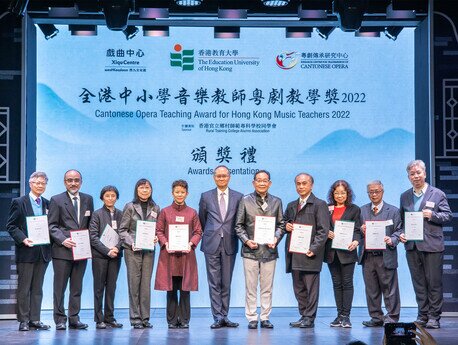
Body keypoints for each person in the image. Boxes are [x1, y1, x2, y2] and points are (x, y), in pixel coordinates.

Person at [399, 160, 452, 329]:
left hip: (432, 246)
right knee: (419, 283)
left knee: (433, 282)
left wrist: (433, 215)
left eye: (418, 173)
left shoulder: (437, 194)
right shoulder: (405, 196)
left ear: (425, 173)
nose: (416, 176)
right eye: (412, 174)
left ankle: (434, 317)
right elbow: (402, 220)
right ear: (408, 177)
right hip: (412, 246)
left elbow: (448, 216)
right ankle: (422, 314)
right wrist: (402, 233)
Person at [235, 170, 283, 329]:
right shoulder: (245, 200)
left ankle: (265, 316)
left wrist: (276, 237)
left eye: (265, 181)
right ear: (253, 182)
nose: (262, 183)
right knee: (250, 287)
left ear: (270, 183)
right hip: (250, 252)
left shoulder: (277, 201)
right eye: (259, 180)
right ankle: (252, 317)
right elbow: (239, 226)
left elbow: (281, 225)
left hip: (269, 252)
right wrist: (247, 241)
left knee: (267, 287)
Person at [282, 173, 330, 328]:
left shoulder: (319, 204)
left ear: (311, 185)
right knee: (299, 288)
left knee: (311, 289)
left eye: (304, 183)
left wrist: (314, 248)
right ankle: (303, 315)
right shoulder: (291, 205)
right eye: (298, 183)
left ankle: (310, 317)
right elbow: (283, 223)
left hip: (310, 255)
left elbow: (323, 230)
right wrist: (286, 226)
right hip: (294, 253)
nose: (301, 186)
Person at [48, 169, 94, 330]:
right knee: (59, 288)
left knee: (76, 287)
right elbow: (52, 226)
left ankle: (74, 318)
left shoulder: (88, 199)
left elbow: (90, 226)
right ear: (64, 182)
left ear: (81, 182)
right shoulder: (56, 200)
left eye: (76, 180)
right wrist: (62, 239)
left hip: (81, 251)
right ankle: (60, 319)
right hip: (62, 251)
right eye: (70, 180)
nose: (73, 183)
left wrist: (90, 246)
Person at [198, 165, 243, 329]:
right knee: (214, 282)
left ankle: (225, 316)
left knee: (226, 282)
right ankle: (217, 317)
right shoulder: (206, 196)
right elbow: (202, 219)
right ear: (214, 177)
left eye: (224, 176)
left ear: (229, 177)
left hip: (230, 243)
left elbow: (240, 220)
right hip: (211, 243)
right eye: (218, 176)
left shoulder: (239, 197)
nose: (221, 178)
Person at [6, 172, 51, 331]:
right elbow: (11, 226)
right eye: (37, 182)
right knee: (24, 288)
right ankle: (23, 320)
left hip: (43, 252)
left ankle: (35, 320)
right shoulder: (19, 202)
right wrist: (23, 239)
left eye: (43, 183)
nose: (40, 185)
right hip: (26, 252)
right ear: (30, 184)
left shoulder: (47, 203)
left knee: (38, 288)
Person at [155, 180, 202, 329]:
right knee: (171, 289)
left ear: (187, 194)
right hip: (169, 257)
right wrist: (165, 243)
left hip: (186, 257)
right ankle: (172, 320)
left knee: (185, 289)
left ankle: (185, 320)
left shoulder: (192, 212)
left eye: (182, 192)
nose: (180, 195)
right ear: (172, 193)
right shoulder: (165, 211)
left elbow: (198, 232)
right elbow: (159, 231)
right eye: (177, 192)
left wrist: (191, 244)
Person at [358, 180, 402, 327]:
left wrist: (392, 239)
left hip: (386, 255)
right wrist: (361, 230)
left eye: (377, 191)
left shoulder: (394, 211)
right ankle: (376, 317)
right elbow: (356, 232)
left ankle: (392, 317)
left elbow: (400, 230)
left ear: (382, 192)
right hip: (368, 256)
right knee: (371, 289)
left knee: (390, 289)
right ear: (368, 193)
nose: (374, 194)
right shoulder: (362, 210)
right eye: (371, 192)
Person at [119, 178, 160, 329]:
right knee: (134, 284)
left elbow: (157, 229)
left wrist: (156, 237)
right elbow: (122, 230)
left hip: (149, 250)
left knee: (145, 285)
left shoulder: (156, 208)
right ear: (137, 190)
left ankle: (145, 318)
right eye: (141, 188)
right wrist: (131, 242)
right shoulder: (130, 207)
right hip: (132, 250)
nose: (144, 190)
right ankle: (135, 318)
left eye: (147, 188)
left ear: (151, 190)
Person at [324, 179, 361, 328]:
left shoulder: (354, 209)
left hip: (348, 251)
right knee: (336, 284)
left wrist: (356, 241)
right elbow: (321, 226)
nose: (339, 196)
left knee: (347, 283)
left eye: (343, 193)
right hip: (331, 252)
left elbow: (357, 229)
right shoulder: (327, 208)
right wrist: (326, 232)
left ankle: (346, 316)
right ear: (332, 194)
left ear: (348, 194)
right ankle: (339, 315)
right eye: (337, 193)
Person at [89, 185, 124, 329]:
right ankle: (99, 319)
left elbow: (124, 234)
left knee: (111, 287)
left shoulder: (121, 214)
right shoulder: (96, 214)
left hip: (116, 255)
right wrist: (107, 250)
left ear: (116, 197)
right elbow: (93, 236)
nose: (110, 198)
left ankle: (110, 318)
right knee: (99, 288)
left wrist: (116, 248)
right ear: (102, 197)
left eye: (113, 196)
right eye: (107, 195)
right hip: (100, 256)